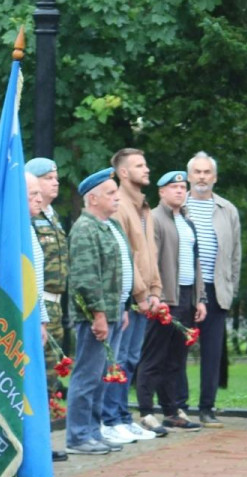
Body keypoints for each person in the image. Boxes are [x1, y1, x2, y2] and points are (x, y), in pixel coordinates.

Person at [64, 169, 132, 456]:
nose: (117, 198)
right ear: (92, 199)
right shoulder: (85, 229)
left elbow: (118, 271)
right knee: (88, 375)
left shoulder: (109, 225)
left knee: (102, 375)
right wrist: (99, 315)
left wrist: (122, 307)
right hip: (95, 315)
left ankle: (93, 431)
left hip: (114, 310)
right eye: (110, 193)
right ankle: (78, 435)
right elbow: (86, 278)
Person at [136, 171, 206, 432]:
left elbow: (196, 262)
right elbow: (149, 260)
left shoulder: (187, 221)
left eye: (182, 187)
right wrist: (154, 295)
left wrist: (200, 298)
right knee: (154, 356)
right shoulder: (154, 219)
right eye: (173, 187)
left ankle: (171, 410)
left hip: (186, 296)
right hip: (164, 297)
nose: (179, 190)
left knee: (176, 358)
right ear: (161, 192)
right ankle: (146, 411)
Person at [101, 148, 160, 444]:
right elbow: (126, 257)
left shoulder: (144, 207)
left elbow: (150, 253)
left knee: (132, 358)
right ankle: (110, 419)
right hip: (130, 297)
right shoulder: (119, 206)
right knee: (120, 360)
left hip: (145, 297)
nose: (146, 169)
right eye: (139, 165)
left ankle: (123, 416)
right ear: (123, 173)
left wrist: (156, 290)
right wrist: (141, 294)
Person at [183, 151, 241, 428]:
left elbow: (236, 255)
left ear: (215, 177)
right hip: (184, 288)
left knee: (212, 353)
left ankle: (207, 408)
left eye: (207, 172)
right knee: (177, 350)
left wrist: (231, 289)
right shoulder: (176, 205)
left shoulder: (227, 210)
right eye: (197, 172)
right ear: (189, 176)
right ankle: (178, 406)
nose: (202, 177)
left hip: (216, 289)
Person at [26, 158, 69, 399]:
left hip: (55, 302)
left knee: (51, 368)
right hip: (37, 300)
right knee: (36, 366)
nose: (55, 182)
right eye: (48, 178)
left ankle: (49, 412)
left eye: (56, 178)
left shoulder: (53, 216)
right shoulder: (29, 216)